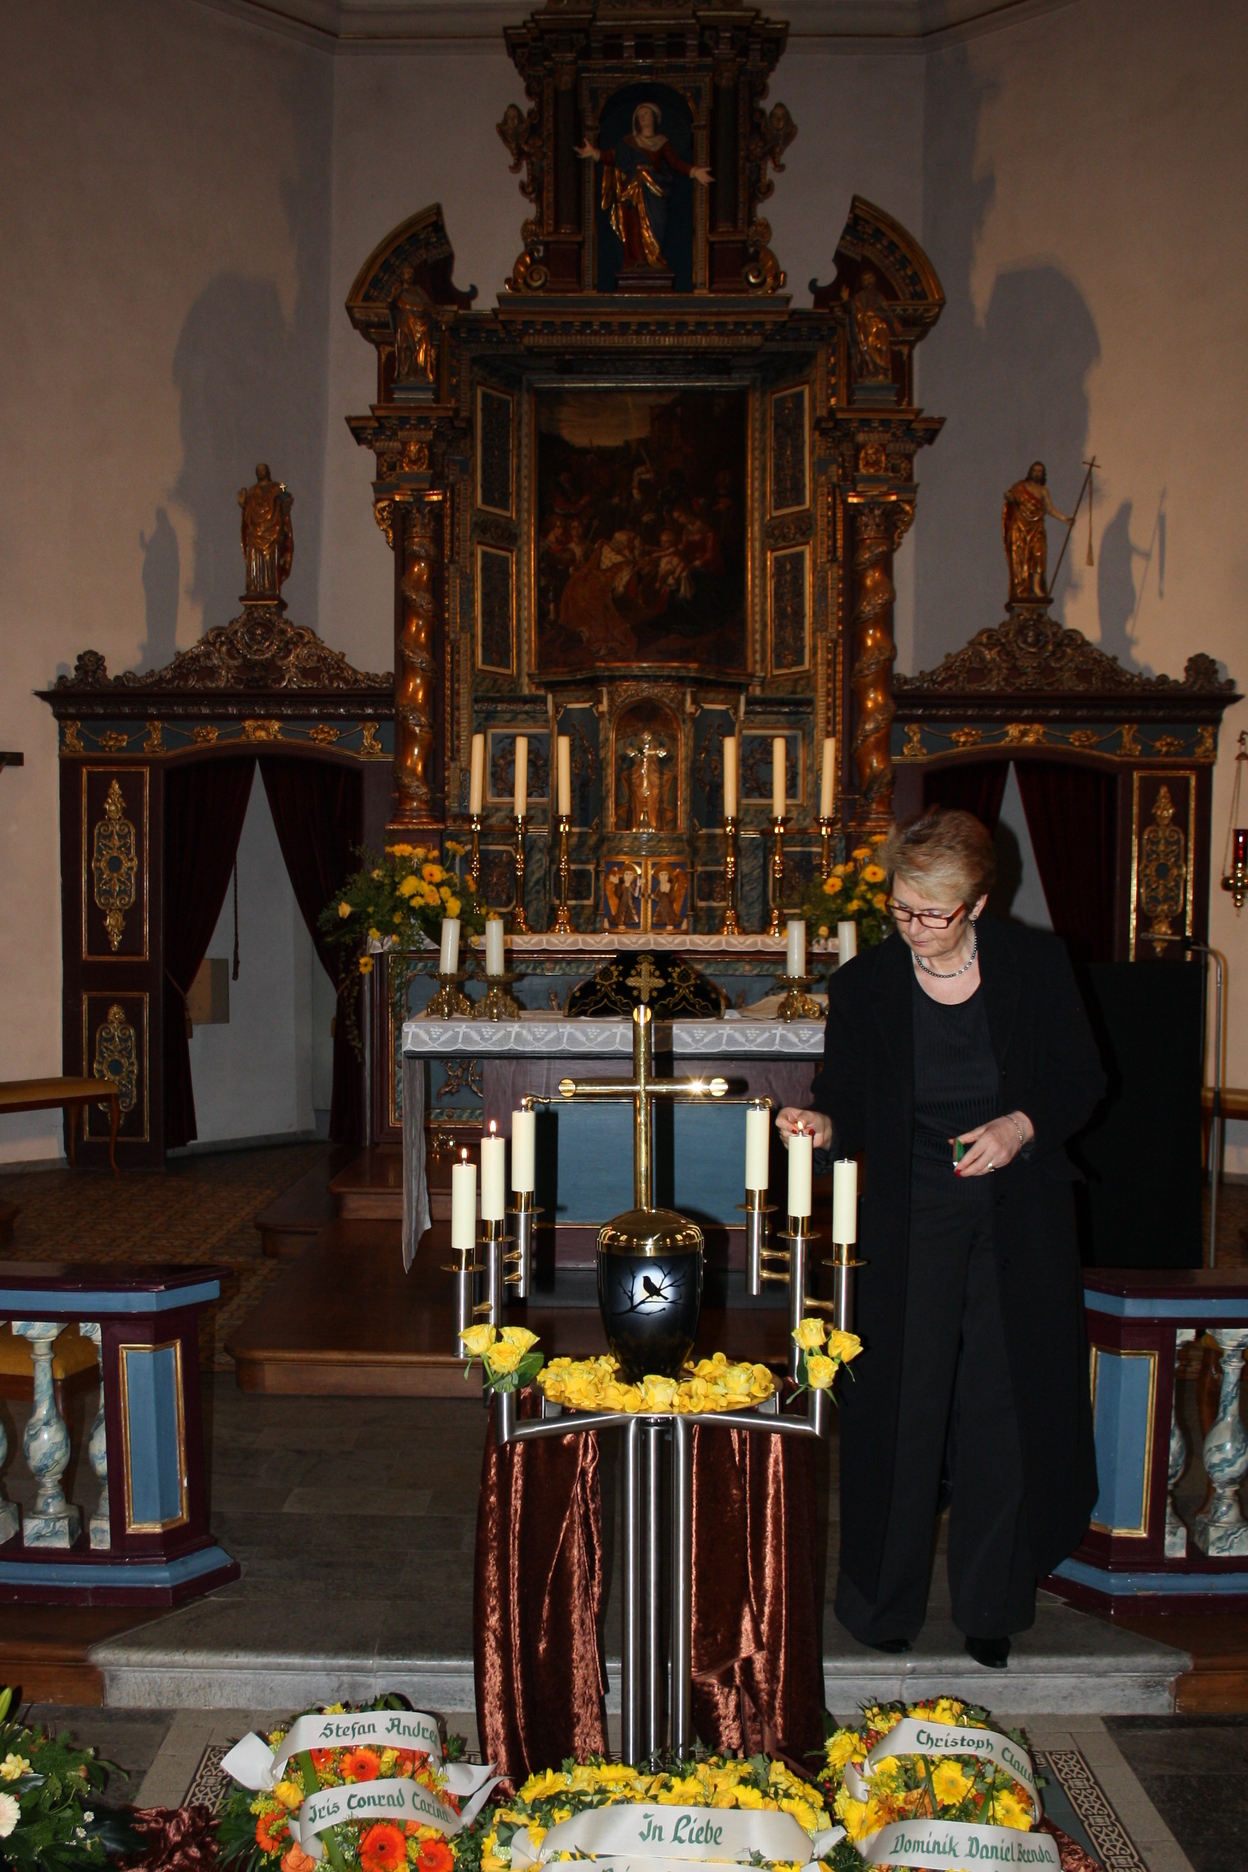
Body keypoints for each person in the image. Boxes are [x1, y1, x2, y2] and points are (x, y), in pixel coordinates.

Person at [777, 806, 1105, 1668]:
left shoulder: (1034, 966)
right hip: (908, 1211)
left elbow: (1082, 1078)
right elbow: (842, 1094)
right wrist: (818, 1123)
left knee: (1000, 1407)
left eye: (933, 913)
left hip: (1014, 1215)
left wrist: (1020, 1126)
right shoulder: (865, 985)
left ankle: (991, 1606)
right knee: (900, 1408)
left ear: (977, 906)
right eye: (902, 908)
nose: (915, 928)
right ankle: (881, 1608)